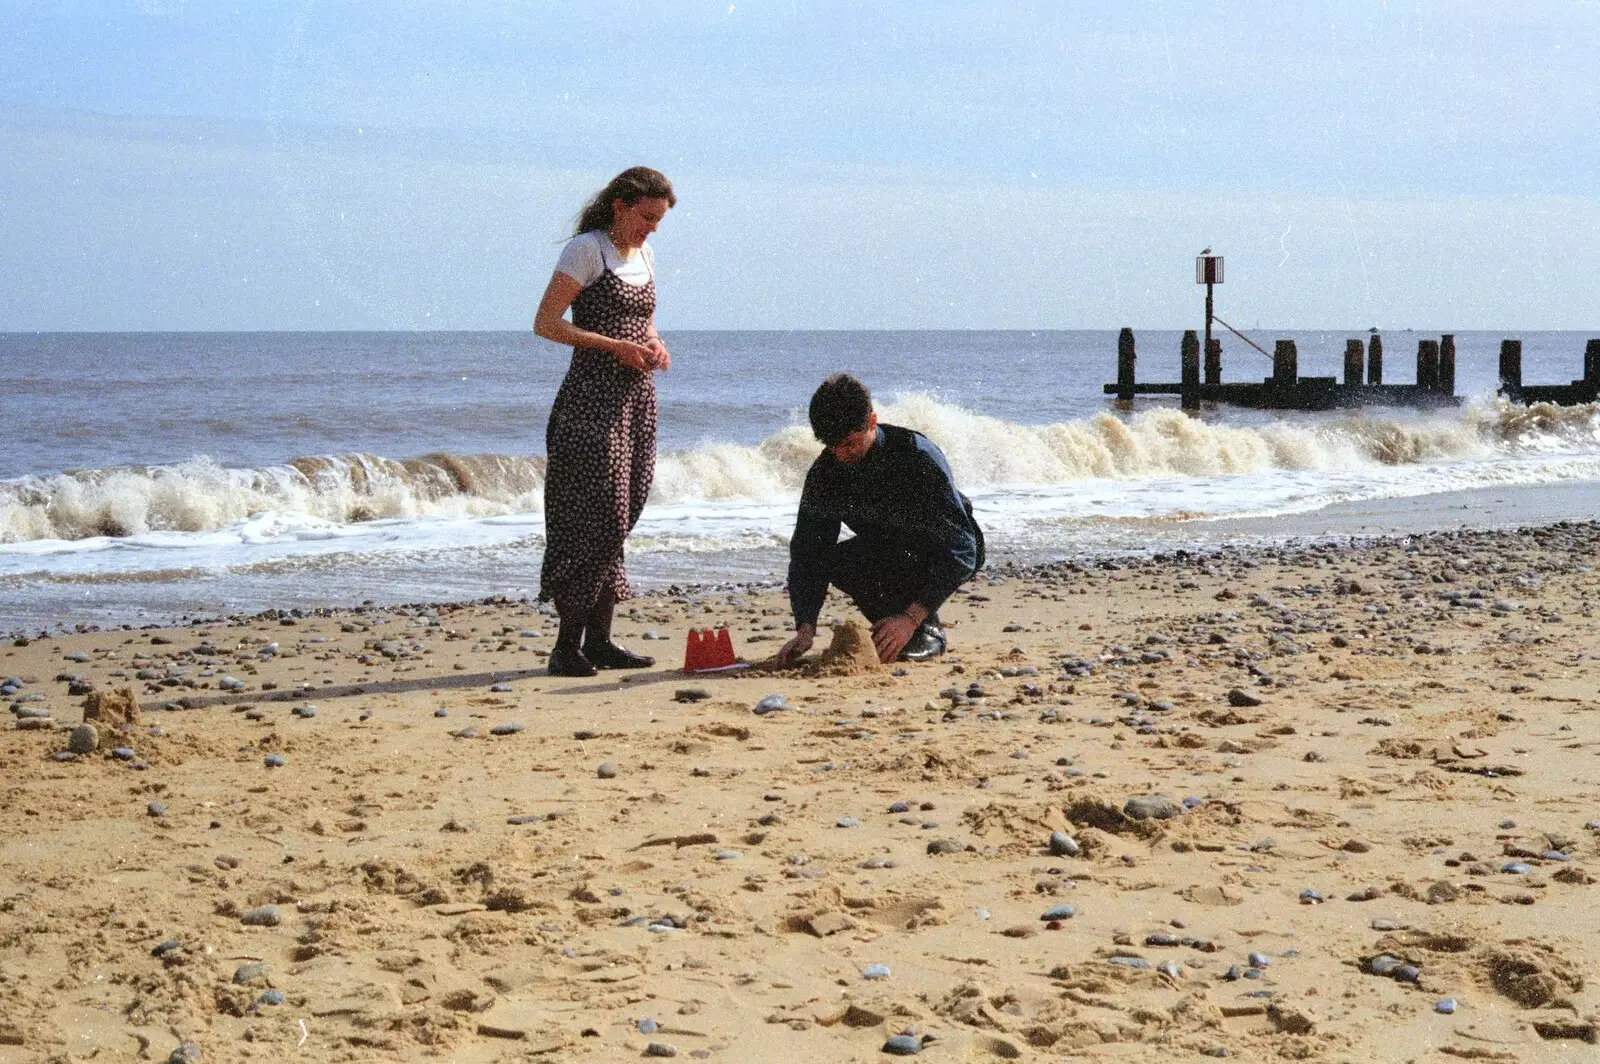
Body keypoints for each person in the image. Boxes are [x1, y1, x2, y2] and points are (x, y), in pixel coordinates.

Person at [532, 167, 676, 677]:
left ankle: (601, 641)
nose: (652, 228)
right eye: (646, 217)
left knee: (626, 510)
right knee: (601, 517)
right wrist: (613, 346)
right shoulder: (586, 250)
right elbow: (546, 323)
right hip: (590, 402)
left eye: (659, 220)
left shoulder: (645, 254)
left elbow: (644, 320)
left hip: (637, 400)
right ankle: (565, 646)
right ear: (620, 205)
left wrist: (654, 343)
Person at [777, 374, 983, 666]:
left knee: (922, 591)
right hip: (888, 547)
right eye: (831, 445)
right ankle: (890, 626)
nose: (840, 454)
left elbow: (963, 548)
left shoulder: (916, 455)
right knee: (836, 561)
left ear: (872, 421)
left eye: (848, 443)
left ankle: (926, 629)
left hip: (943, 548)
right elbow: (809, 553)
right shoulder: (826, 471)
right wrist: (805, 628)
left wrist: (911, 617)